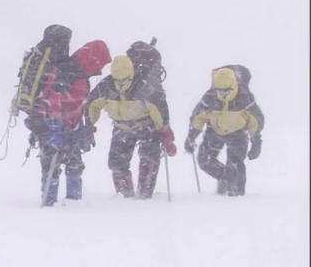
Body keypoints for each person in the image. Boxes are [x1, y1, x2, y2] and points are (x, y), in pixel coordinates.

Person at [25, 39, 112, 206]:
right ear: (94, 60)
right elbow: (55, 103)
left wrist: (85, 129)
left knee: (72, 164)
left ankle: (72, 202)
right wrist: (55, 132)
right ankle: (50, 203)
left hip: (70, 127)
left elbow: (80, 105)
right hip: (53, 127)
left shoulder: (79, 74)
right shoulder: (68, 73)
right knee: (54, 166)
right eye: (100, 63)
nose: (100, 69)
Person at [85, 55, 176, 199]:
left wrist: (165, 134)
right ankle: (124, 196)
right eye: (117, 80)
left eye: (125, 80)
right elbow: (91, 105)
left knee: (149, 158)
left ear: (132, 74)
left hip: (146, 126)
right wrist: (89, 126)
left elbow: (160, 111)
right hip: (121, 127)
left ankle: (144, 194)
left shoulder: (145, 86)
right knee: (116, 163)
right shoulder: (106, 86)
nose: (121, 84)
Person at [184, 65, 265, 196]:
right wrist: (191, 137)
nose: (223, 94)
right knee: (204, 160)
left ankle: (237, 194)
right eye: (219, 90)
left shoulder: (245, 98)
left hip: (238, 133)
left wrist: (256, 142)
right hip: (214, 131)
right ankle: (228, 178)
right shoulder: (209, 98)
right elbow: (197, 118)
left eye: (227, 90)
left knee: (236, 161)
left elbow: (256, 121)